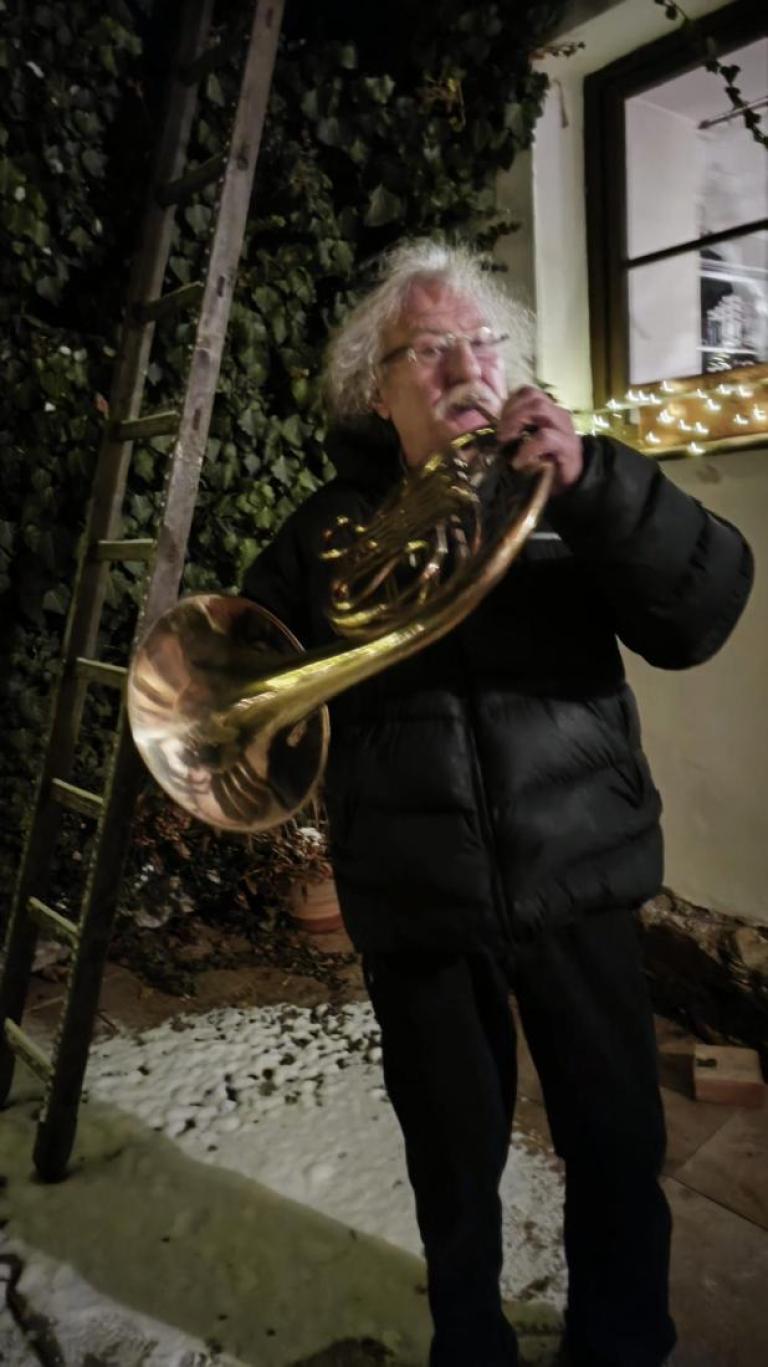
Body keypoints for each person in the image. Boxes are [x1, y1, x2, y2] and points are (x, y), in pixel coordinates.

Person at [242, 240, 753, 1367]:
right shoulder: (324, 534)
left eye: (481, 341)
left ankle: (623, 1339)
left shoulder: (569, 481)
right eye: (430, 349)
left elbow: (703, 608)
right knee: (451, 1153)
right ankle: (467, 1341)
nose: (464, 365)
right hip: (417, 895)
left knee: (616, 1137)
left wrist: (602, 482)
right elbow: (255, 697)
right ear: (375, 386)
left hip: (579, 868)